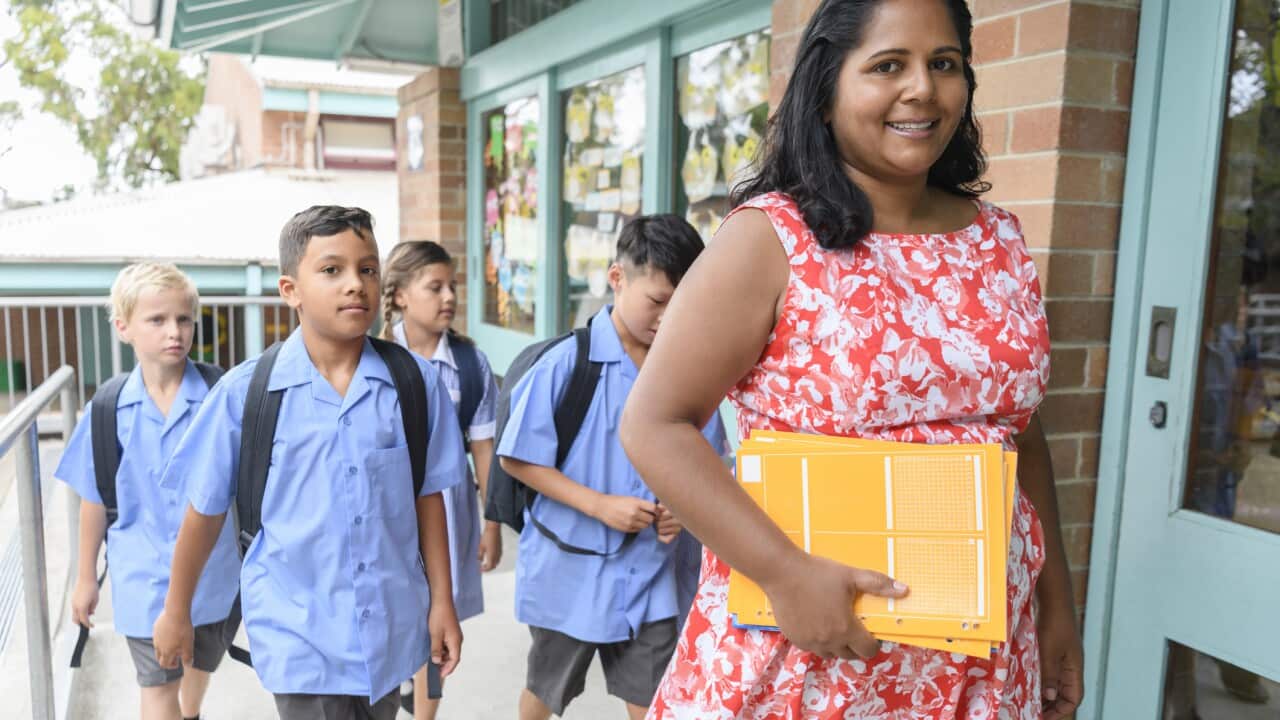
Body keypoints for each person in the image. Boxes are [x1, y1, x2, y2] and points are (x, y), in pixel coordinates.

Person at [618, 0, 1083, 718]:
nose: (923, 88)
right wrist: (784, 574)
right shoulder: (770, 240)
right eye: (888, 65)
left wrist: (1058, 609)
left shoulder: (999, 240)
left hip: (977, 661)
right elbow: (654, 424)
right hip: (811, 654)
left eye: (945, 64)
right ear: (827, 90)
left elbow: (1017, 432)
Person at [151, 206, 467, 720]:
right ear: (289, 289)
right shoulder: (246, 395)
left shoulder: (415, 385)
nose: (355, 285)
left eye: (367, 269)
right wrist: (176, 610)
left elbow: (427, 497)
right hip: (300, 634)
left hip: (388, 628)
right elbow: (203, 513)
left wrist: (442, 602)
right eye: (331, 270)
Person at [498, 214, 729, 720]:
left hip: (652, 575)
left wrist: (684, 512)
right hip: (571, 572)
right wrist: (599, 505)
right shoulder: (566, 364)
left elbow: (711, 465)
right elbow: (517, 457)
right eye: (657, 301)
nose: (668, 318)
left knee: (655, 700)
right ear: (616, 278)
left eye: (681, 302)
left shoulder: (692, 372)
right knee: (545, 693)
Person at [57, 262, 240, 720]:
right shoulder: (107, 408)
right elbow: (95, 499)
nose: (173, 331)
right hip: (142, 577)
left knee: (199, 663)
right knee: (157, 689)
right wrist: (85, 578)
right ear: (123, 328)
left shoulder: (222, 396)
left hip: (214, 575)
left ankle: (191, 710)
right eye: (156, 320)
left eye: (183, 319)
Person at [380, 240, 503, 719]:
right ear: (401, 296)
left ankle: (424, 708)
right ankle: (400, 691)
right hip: (389, 513)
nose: (449, 296)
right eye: (435, 287)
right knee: (393, 610)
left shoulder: (470, 367)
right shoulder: (377, 359)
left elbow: (484, 450)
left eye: (452, 286)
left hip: (448, 514)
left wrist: (491, 523)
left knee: (436, 618)